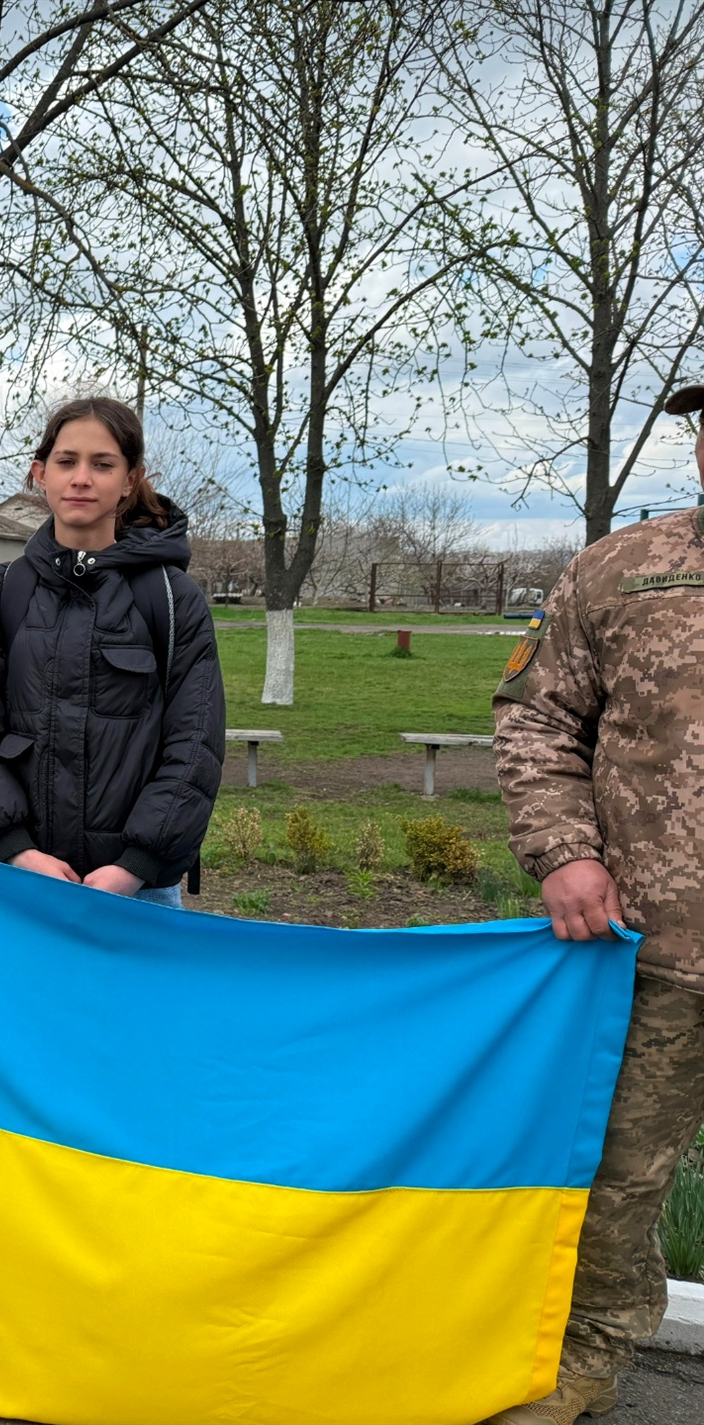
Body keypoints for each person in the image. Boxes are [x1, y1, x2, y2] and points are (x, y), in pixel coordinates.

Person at [484, 379, 704, 1425]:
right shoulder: (619, 569)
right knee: (613, 1176)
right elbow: (535, 719)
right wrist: (564, 852)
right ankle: (590, 1352)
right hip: (649, 945)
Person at [0, 396, 224, 904]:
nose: (81, 478)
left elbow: (195, 742)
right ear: (39, 474)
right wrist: (17, 851)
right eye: (67, 461)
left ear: (131, 479)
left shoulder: (171, 597)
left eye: (103, 464)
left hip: (138, 892)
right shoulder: (1, 592)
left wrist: (135, 865)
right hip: (24, 880)